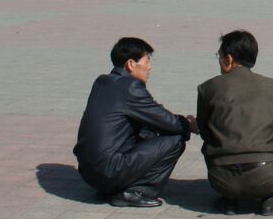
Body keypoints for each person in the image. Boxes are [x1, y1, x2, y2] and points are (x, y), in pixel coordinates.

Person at [198, 29, 273, 216]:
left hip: (221, 180)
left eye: (218, 56)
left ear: (228, 59)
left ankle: (230, 200)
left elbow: (205, 132)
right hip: (266, 176)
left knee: (213, 139)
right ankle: (271, 196)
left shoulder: (208, 88)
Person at [73, 37, 195, 208]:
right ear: (131, 64)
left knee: (149, 130)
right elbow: (169, 122)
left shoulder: (102, 82)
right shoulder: (130, 88)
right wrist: (189, 124)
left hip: (88, 172)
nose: (149, 67)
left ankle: (112, 187)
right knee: (174, 140)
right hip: (109, 170)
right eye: (147, 61)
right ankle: (135, 191)